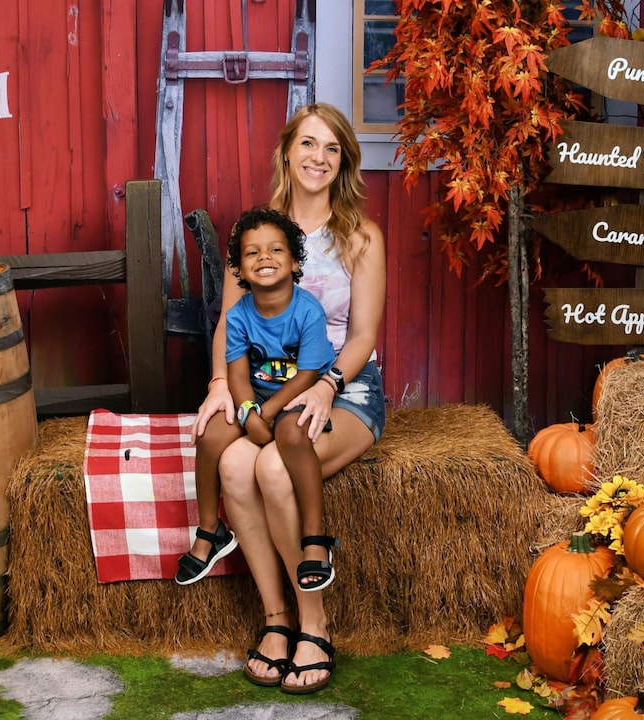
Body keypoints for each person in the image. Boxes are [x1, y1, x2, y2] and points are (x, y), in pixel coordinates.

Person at [192, 102, 387, 694]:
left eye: (332, 149)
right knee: (231, 461)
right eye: (308, 144)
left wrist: (328, 385)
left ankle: (314, 625)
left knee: (276, 467)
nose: (318, 158)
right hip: (268, 392)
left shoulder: (360, 237)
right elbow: (229, 322)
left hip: (345, 388)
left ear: (344, 162)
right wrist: (220, 385)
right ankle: (275, 618)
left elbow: (362, 336)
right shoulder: (256, 234)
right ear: (287, 153)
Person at [175, 207, 335, 586]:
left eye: (276, 250)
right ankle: (211, 530)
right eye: (252, 253)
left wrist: (268, 413)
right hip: (256, 394)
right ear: (240, 271)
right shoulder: (238, 316)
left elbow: (309, 373)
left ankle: (314, 538)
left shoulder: (308, 312)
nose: (264, 257)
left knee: (292, 436)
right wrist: (248, 412)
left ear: (296, 262)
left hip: (298, 393)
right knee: (211, 435)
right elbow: (237, 372)